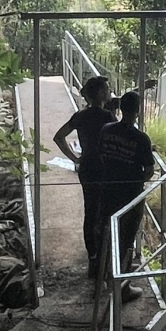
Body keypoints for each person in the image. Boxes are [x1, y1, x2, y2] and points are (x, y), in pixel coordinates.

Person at [53, 76, 116, 277]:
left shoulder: (80, 116)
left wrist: (76, 159)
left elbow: (59, 136)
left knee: (90, 210)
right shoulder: (108, 117)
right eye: (106, 88)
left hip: (87, 167)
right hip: (104, 168)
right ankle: (103, 256)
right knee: (104, 211)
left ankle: (92, 255)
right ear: (99, 93)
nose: (109, 91)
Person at [95, 91, 154, 301]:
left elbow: (102, 155)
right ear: (137, 111)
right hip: (129, 196)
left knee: (105, 235)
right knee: (126, 240)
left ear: (121, 109)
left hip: (107, 190)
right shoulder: (141, 139)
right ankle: (122, 287)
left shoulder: (107, 129)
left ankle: (100, 279)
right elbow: (148, 171)